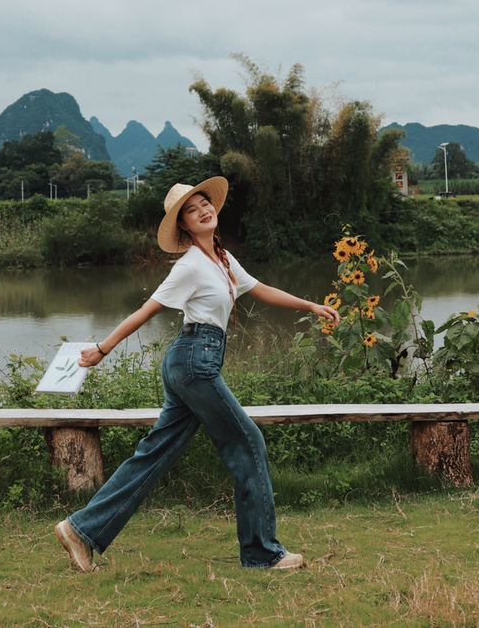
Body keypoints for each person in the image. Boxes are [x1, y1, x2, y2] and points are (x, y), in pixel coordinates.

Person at [56, 177, 340, 572]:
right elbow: (146, 310)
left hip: (192, 362)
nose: (203, 210)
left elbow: (261, 290)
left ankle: (81, 530)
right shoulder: (189, 266)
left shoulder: (221, 259)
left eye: (205, 203)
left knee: (154, 454)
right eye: (192, 210)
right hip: (194, 362)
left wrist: (311, 306)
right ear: (184, 226)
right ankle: (262, 553)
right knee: (249, 442)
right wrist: (103, 349)